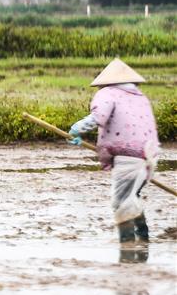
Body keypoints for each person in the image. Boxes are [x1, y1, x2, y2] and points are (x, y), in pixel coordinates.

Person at [68, 58, 160, 256]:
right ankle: (143, 241)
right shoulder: (140, 97)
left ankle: (127, 245)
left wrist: (76, 129)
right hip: (149, 156)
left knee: (120, 201)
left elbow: (98, 117)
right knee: (130, 197)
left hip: (128, 158)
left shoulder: (107, 93)